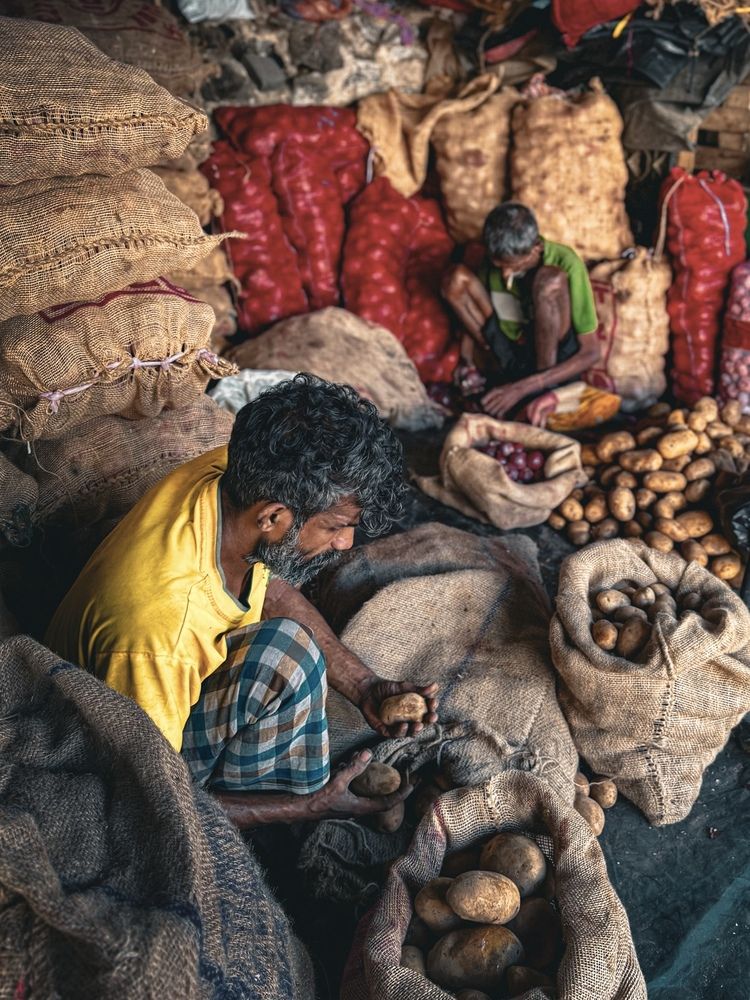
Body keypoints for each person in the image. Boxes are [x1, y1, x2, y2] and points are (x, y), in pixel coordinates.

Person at [45, 374, 438, 828]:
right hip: (111, 751)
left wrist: (364, 685)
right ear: (272, 517)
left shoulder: (239, 483)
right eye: (335, 526)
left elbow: (266, 586)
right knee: (286, 658)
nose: (345, 543)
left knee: (289, 655)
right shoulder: (159, 635)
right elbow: (147, 797)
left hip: (164, 691)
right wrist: (308, 806)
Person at [442, 202, 601, 424]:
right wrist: (467, 361)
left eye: (514, 265)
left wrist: (523, 388)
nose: (505, 274)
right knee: (455, 279)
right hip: (509, 353)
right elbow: (475, 307)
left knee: (550, 280)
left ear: (536, 247)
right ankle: (502, 379)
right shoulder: (494, 258)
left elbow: (591, 353)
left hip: (550, 363)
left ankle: (539, 391)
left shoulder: (566, 261)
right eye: (499, 266)